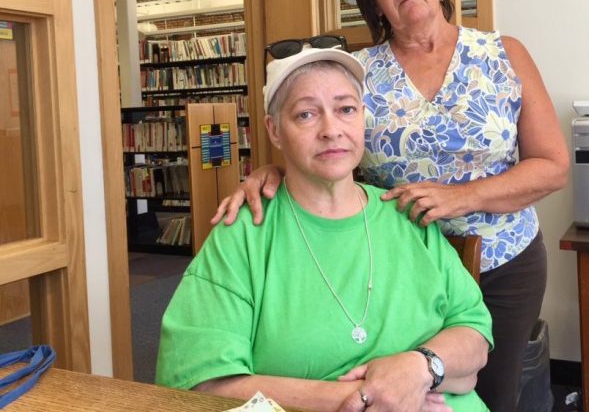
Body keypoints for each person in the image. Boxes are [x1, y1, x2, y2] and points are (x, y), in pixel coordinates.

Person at [212, 0, 569, 412]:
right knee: (397, 389)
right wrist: (271, 171)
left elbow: (553, 165)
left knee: (491, 394)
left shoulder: (502, 54)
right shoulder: (359, 73)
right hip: (396, 268)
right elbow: (328, 143)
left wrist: (460, 198)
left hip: (503, 260)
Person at [156, 47, 493, 412]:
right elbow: (200, 381)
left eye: (346, 109)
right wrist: (372, 398)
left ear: (363, 117)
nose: (331, 130)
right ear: (274, 131)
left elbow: (474, 337)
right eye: (306, 114)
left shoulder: (408, 218)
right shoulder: (244, 234)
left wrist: (421, 366)